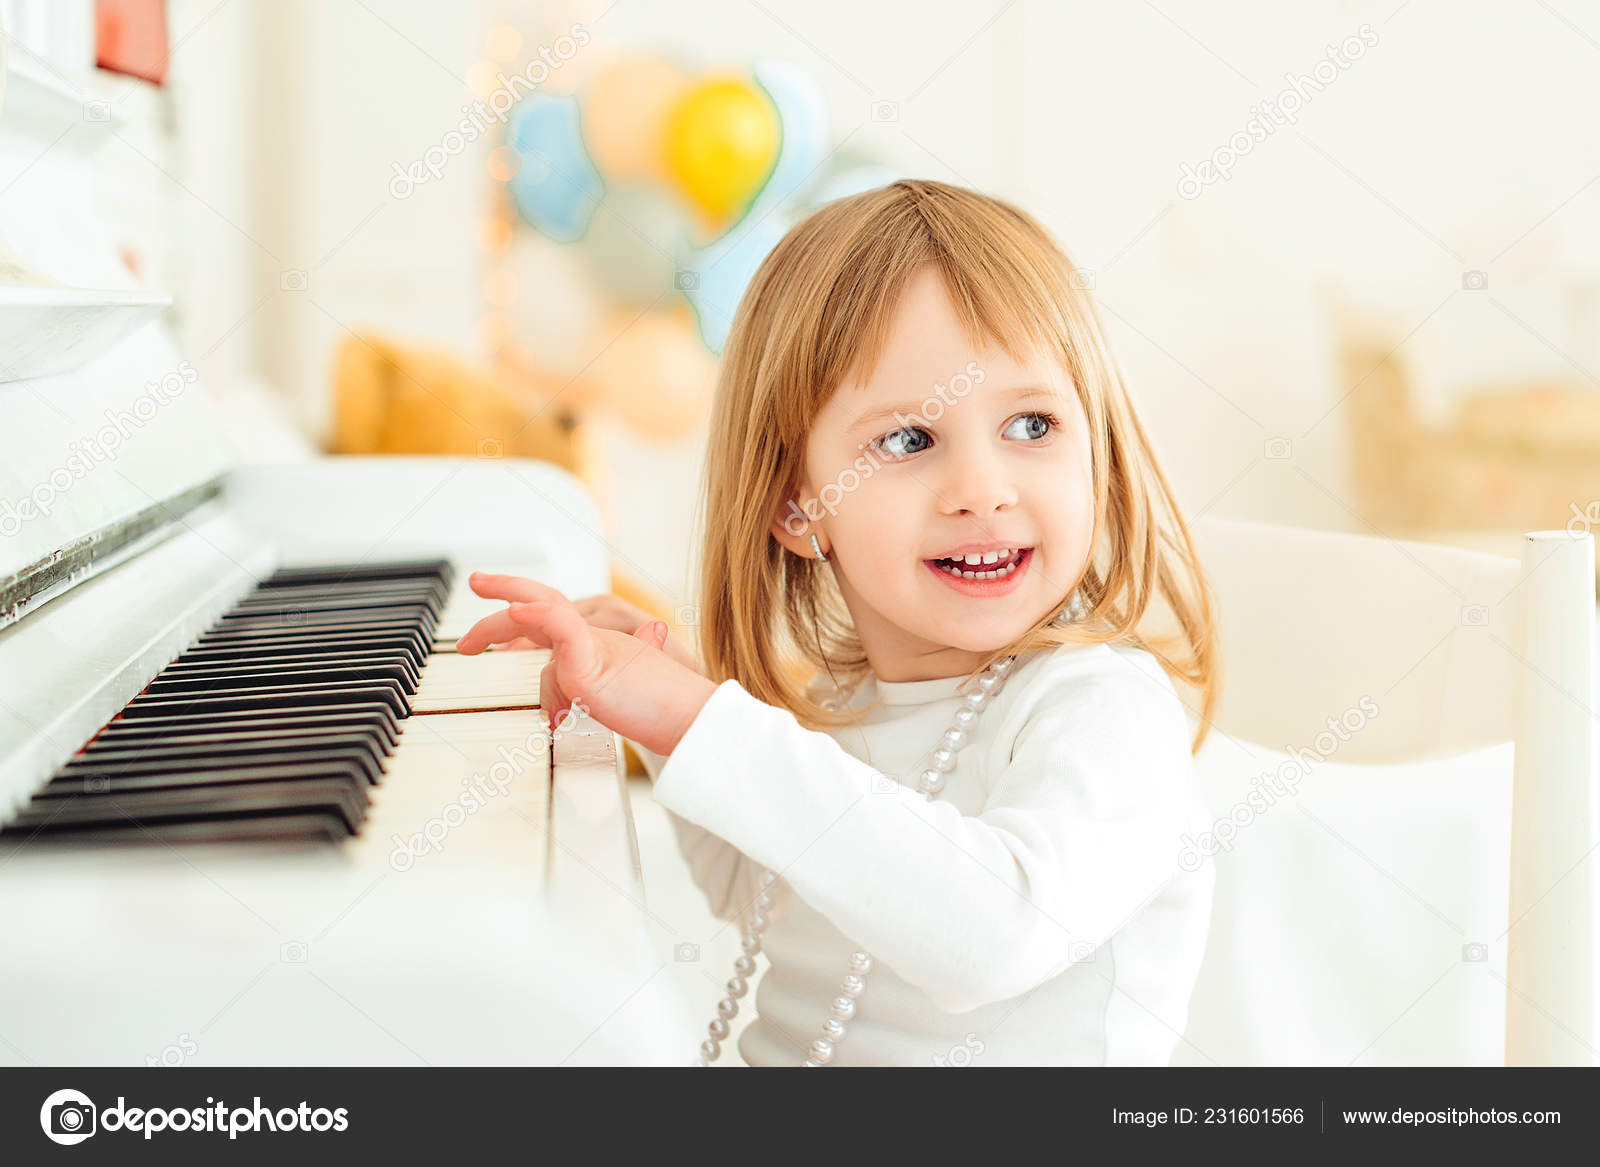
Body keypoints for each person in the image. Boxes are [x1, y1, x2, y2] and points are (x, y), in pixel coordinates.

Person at [457, 179, 1220, 1067]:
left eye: (1031, 423)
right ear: (796, 503)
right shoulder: (848, 702)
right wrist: (665, 712)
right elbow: (764, 895)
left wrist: (699, 720)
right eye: (908, 440)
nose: (982, 487)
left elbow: (992, 933)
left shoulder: (1103, 711)